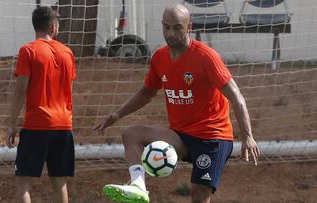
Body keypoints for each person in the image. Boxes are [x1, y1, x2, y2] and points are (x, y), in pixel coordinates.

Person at [94, 4, 260, 203]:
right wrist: (116, 115)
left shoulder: (206, 57)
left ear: (189, 27)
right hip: (181, 136)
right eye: (166, 27)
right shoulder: (159, 57)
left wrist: (248, 136)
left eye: (177, 28)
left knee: (198, 194)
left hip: (212, 138)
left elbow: (237, 97)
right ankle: (138, 186)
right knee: (131, 133)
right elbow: (147, 92)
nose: (171, 33)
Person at [6, 6, 76, 203]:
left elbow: (21, 90)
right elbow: (68, 90)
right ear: (53, 27)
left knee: (23, 183)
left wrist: (12, 123)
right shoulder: (67, 53)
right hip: (63, 126)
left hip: (37, 125)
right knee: (59, 183)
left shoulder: (28, 51)